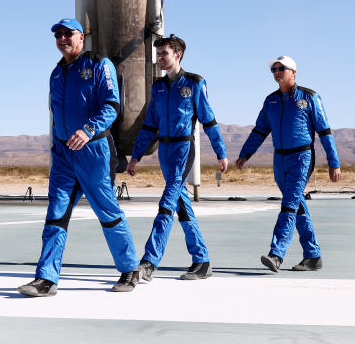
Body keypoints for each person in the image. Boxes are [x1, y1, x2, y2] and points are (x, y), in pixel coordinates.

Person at [18, 18, 139, 297]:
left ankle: (129, 268)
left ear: (81, 37)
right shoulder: (56, 73)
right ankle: (46, 278)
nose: (62, 38)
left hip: (94, 151)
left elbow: (112, 105)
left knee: (107, 212)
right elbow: (55, 114)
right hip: (63, 154)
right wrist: (56, 144)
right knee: (55, 215)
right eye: (57, 35)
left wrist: (88, 130)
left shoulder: (99, 65)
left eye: (67, 34)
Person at [126, 35, 227, 282]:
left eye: (164, 54)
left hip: (183, 149)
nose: (160, 59)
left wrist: (220, 151)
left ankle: (149, 262)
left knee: (166, 205)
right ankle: (202, 261)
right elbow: (149, 125)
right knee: (182, 207)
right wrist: (136, 156)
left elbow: (209, 120)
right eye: (158, 54)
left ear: (177, 55)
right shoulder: (158, 87)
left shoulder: (194, 83)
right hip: (165, 151)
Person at [236, 55, 341, 273]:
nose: (276, 72)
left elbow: (325, 132)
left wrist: (334, 163)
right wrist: (245, 154)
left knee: (289, 205)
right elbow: (260, 130)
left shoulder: (310, 97)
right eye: (273, 69)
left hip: (301, 157)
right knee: (296, 205)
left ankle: (276, 254)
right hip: (279, 158)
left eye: (281, 68)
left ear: (293, 72)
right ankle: (313, 255)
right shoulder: (270, 101)